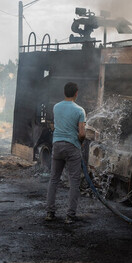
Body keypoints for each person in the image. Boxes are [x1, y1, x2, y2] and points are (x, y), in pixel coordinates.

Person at [45, 82, 86, 224]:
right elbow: (81, 133)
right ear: (76, 93)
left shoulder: (56, 107)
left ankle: (50, 212)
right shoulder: (80, 110)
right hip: (72, 146)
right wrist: (81, 142)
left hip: (57, 145)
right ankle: (70, 215)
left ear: (64, 93)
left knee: (54, 179)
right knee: (74, 181)